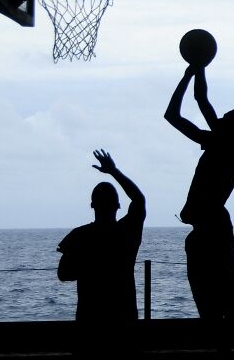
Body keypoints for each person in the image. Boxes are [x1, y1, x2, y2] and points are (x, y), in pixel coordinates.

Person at [164, 64, 234, 319]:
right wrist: (197, 69)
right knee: (219, 304)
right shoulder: (224, 143)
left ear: (232, 127)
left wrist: (189, 74)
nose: (219, 119)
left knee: (214, 305)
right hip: (212, 228)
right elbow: (201, 99)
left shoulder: (224, 144)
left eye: (225, 118)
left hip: (212, 229)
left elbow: (174, 115)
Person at [56, 149, 146, 353]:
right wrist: (114, 171)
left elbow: (64, 274)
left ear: (91, 205)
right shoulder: (127, 232)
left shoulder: (78, 236)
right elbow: (139, 200)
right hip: (124, 317)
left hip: (89, 320)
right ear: (118, 205)